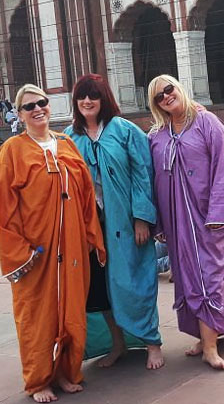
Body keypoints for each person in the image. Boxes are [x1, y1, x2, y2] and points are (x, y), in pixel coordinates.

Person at [0, 84, 105, 402]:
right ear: (20, 114)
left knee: (72, 311)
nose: (38, 109)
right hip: (36, 253)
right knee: (37, 317)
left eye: (41, 103)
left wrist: (90, 236)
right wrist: (20, 253)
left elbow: (86, 195)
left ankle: (68, 372)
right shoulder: (13, 150)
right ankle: (39, 380)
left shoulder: (66, 143)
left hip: (71, 246)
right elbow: (5, 208)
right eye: (29, 107)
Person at [63, 74, 164, 371]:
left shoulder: (125, 131)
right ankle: (117, 343)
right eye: (82, 96)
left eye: (93, 95)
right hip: (90, 226)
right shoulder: (70, 137)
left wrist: (142, 218)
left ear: (104, 98)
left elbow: (143, 175)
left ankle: (152, 342)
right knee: (101, 289)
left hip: (126, 223)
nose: (87, 101)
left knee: (135, 282)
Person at [146, 75, 224, 371]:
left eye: (169, 90)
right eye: (159, 96)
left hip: (207, 219)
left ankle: (210, 347)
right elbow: (150, 179)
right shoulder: (157, 136)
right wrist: (157, 222)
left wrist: (218, 214)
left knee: (210, 278)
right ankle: (204, 337)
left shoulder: (207, 123)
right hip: (177, 223)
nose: (166, 97)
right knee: (187, 279)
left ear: (179, 87)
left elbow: (223, 169)